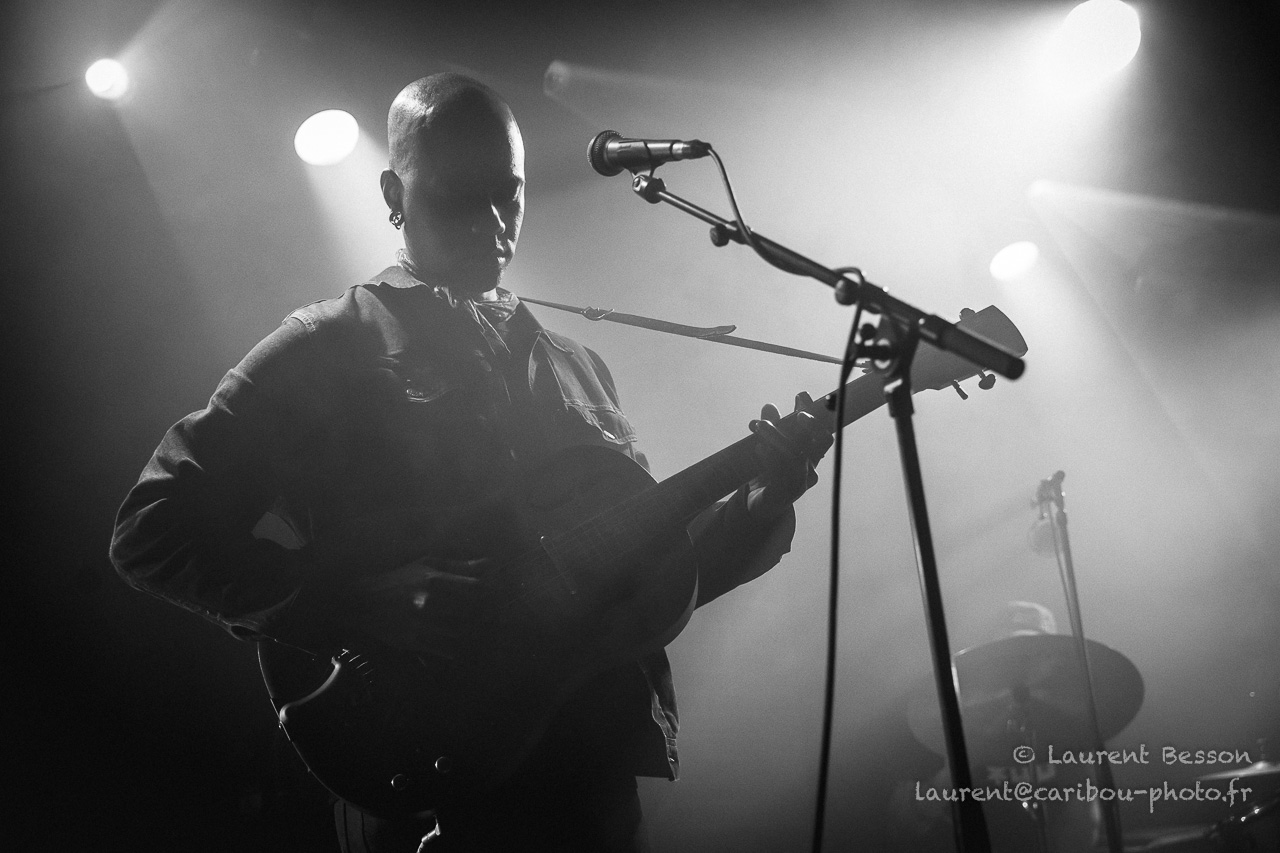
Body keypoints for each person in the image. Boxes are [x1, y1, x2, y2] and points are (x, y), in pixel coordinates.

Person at [110, 73, 831, 852]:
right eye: (461, 195)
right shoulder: (326, 347)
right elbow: (151, 529)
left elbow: (637, 581)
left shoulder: (576, 365)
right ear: (394, 194)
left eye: (508, 194)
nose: (493, 221)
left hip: (589, 774)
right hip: (423, 776)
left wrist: (758, 504)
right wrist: (350, 599)